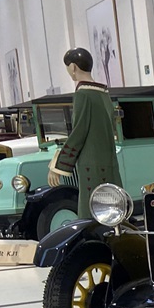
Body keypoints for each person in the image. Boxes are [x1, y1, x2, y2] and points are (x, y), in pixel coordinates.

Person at [48, 48, 120, 218]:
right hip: (109, 163)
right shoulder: (104, 94)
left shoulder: (83, 94)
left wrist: (58, 166)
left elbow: (79, 132)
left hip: (91, 166)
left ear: (73, 67)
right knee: (112, 212)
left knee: (92, 215)